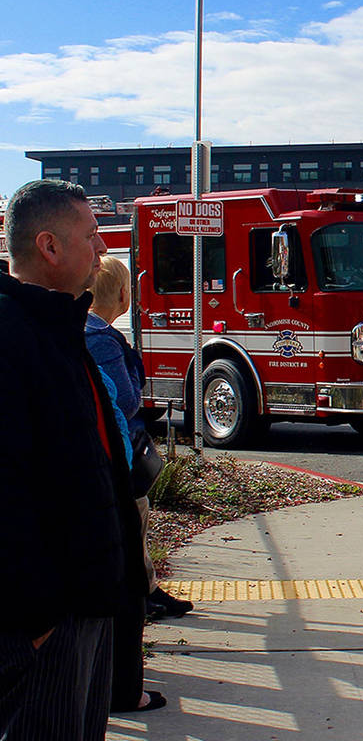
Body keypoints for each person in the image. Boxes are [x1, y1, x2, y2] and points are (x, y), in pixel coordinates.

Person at [0, 179, 145, 740]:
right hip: (46, 620)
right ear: (49, 247)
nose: (103, 251)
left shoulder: (62, 332)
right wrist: (35, 622)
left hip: (87, 605)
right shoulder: (12, 338)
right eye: (91, 237)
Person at [85, 257, 186, 714]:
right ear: (123, 297)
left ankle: (149, 592)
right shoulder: (102, 340)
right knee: (130, 547)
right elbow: (123, 399)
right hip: (120, 473)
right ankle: (126, 680)